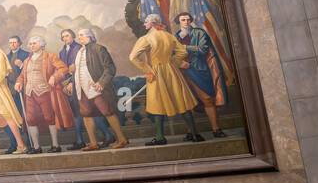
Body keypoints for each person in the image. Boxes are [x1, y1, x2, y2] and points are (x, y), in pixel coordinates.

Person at [129, 14, 203, 145]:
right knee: (182, 101)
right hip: (172, 72)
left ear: (152, 23)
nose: (144, 24)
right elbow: (183, 52)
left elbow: (133, 57)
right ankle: (195, 134)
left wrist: (147, 70)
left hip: (156, 73)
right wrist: (173, 62)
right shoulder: (169, 36)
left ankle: (160, 138)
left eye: (146, 22)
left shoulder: (146, 38)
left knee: (157, 104)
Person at [73, 28, 130, 150]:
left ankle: (122, 139)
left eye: (81, 35)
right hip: (83, 88)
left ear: (89, 36)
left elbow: (110, 68)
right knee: (86, 114)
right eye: (78, 35)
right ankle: (93, 143)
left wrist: (102, 82)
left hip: (97, 87)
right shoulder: (79, 52)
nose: (79, 37)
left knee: (108, 112)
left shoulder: (99, 48)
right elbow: (78, 71)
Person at [58, 28, 115, 149]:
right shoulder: (62, 52)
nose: (65, 38)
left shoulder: (80, 48)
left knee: (94, 112)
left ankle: (107, 135)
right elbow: (66, 70)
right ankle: (83, 140)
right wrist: (66, 83)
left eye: (67, 36)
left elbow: (83, 70)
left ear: (72, 36)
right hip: (74, 86)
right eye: (63, 37)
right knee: (80, 113)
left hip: (84, 85)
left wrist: (72, 83)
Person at [15, 36, 72, 154]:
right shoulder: (27, 60)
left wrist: (54, 77)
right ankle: (36, 147)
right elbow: (22, 76)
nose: (31, 46)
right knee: (30, 119)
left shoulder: (50, 56)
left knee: (49, 118)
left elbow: (63, 68)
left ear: (41, 45)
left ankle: (55, 145)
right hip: (29, 93)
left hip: (45, 91)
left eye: (34, 43)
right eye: (30, 44)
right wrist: (19, 82)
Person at [175, 12, 227, 137]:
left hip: (199, 69)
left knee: (207, 99)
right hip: (182, 72)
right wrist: (179, 62)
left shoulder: (199, 32)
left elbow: (203, 49)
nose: (186, 22)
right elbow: (171, 54)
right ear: (179, 22)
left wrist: (185, 47)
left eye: (188, 19)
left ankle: (216, 129)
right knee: (186, 102)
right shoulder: (175, 36)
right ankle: (191, 132)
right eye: (183, 20)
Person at [5, 35, 32, 151]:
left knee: (24, 117)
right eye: (10, 43)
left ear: (20, 43)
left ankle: (30, 144)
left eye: (15, 42)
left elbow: (30, 71)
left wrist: (21, 66)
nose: (13, 44)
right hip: (10, 90)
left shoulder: (26, 55)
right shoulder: (6, 57)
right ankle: (14, 144)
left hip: (23, 90)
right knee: (11, 118)